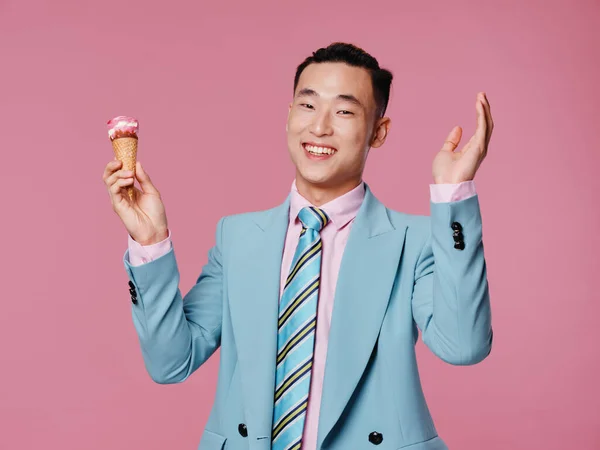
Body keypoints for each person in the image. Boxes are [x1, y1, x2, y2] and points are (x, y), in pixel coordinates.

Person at [102, 42, 494, 450]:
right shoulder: (237, 238)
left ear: (379, 131)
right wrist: (149, 241)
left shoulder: (412, 242)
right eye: (307, 106)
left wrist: (453, 196)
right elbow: (171, 362)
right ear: (289, 115)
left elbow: (463, 346)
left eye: (344, 111)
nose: (320, 127)